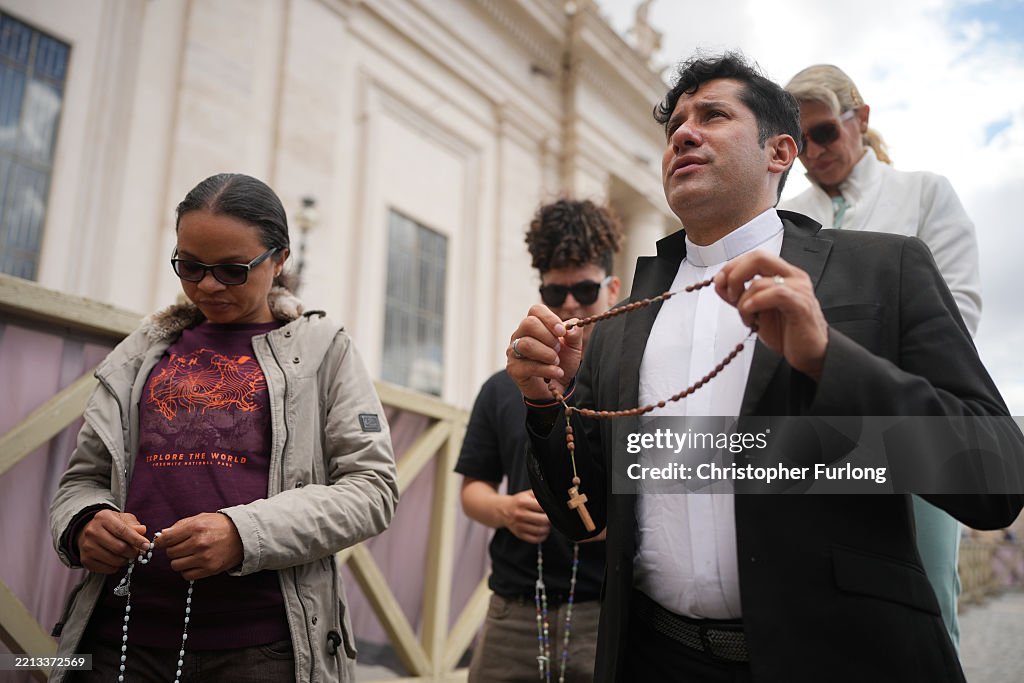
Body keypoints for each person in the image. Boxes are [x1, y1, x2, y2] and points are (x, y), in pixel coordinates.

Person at [506, 52, 1024, 682]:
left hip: (843, 662)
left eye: (713, 114)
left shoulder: (887, 267)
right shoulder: (621, 323)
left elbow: (996, 479)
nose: (683, 134)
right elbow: (581, 516)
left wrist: (832, 362)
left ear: (781, 152)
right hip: (654, 660)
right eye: (674, 127)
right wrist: (543, 406)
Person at [48, 173, 399, 683]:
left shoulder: (324, 350)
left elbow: (372, 490)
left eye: (233, 270)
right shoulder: (139, 354)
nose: (207, 285)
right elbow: (82, 479)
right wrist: (84, 522)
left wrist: (244, 534)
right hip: (116, 641)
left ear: (279, 260)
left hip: (262, 649)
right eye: (189, 266)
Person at [779, 63, 981, 650]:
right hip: (815, 439)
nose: (814, 154)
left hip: (910, 429)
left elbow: (956, 317)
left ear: (860, 119)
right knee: (824, 609)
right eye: (800, 143)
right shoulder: (785, 216)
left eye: (824, 133)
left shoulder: (923, 192)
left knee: (925, 602)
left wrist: (844, 368)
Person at [456, 198, 621, 682]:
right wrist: (506, 510)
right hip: (514, 611)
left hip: (602, 611)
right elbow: (472, 491)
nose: (569, 304)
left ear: (612, 290)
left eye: (586, 289)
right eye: (555, 291)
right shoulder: (500, 388)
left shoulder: (629, 387)